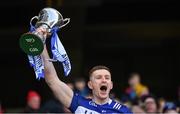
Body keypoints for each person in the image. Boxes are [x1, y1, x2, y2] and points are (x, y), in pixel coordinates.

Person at [40, 28, 132, 113]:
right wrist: (41, 44)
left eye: (107, 78)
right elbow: (52, 80)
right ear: (90, 85)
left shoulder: (123, 110)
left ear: (111, 85)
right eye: (98, 77)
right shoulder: (79, 103)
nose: (104, 80)